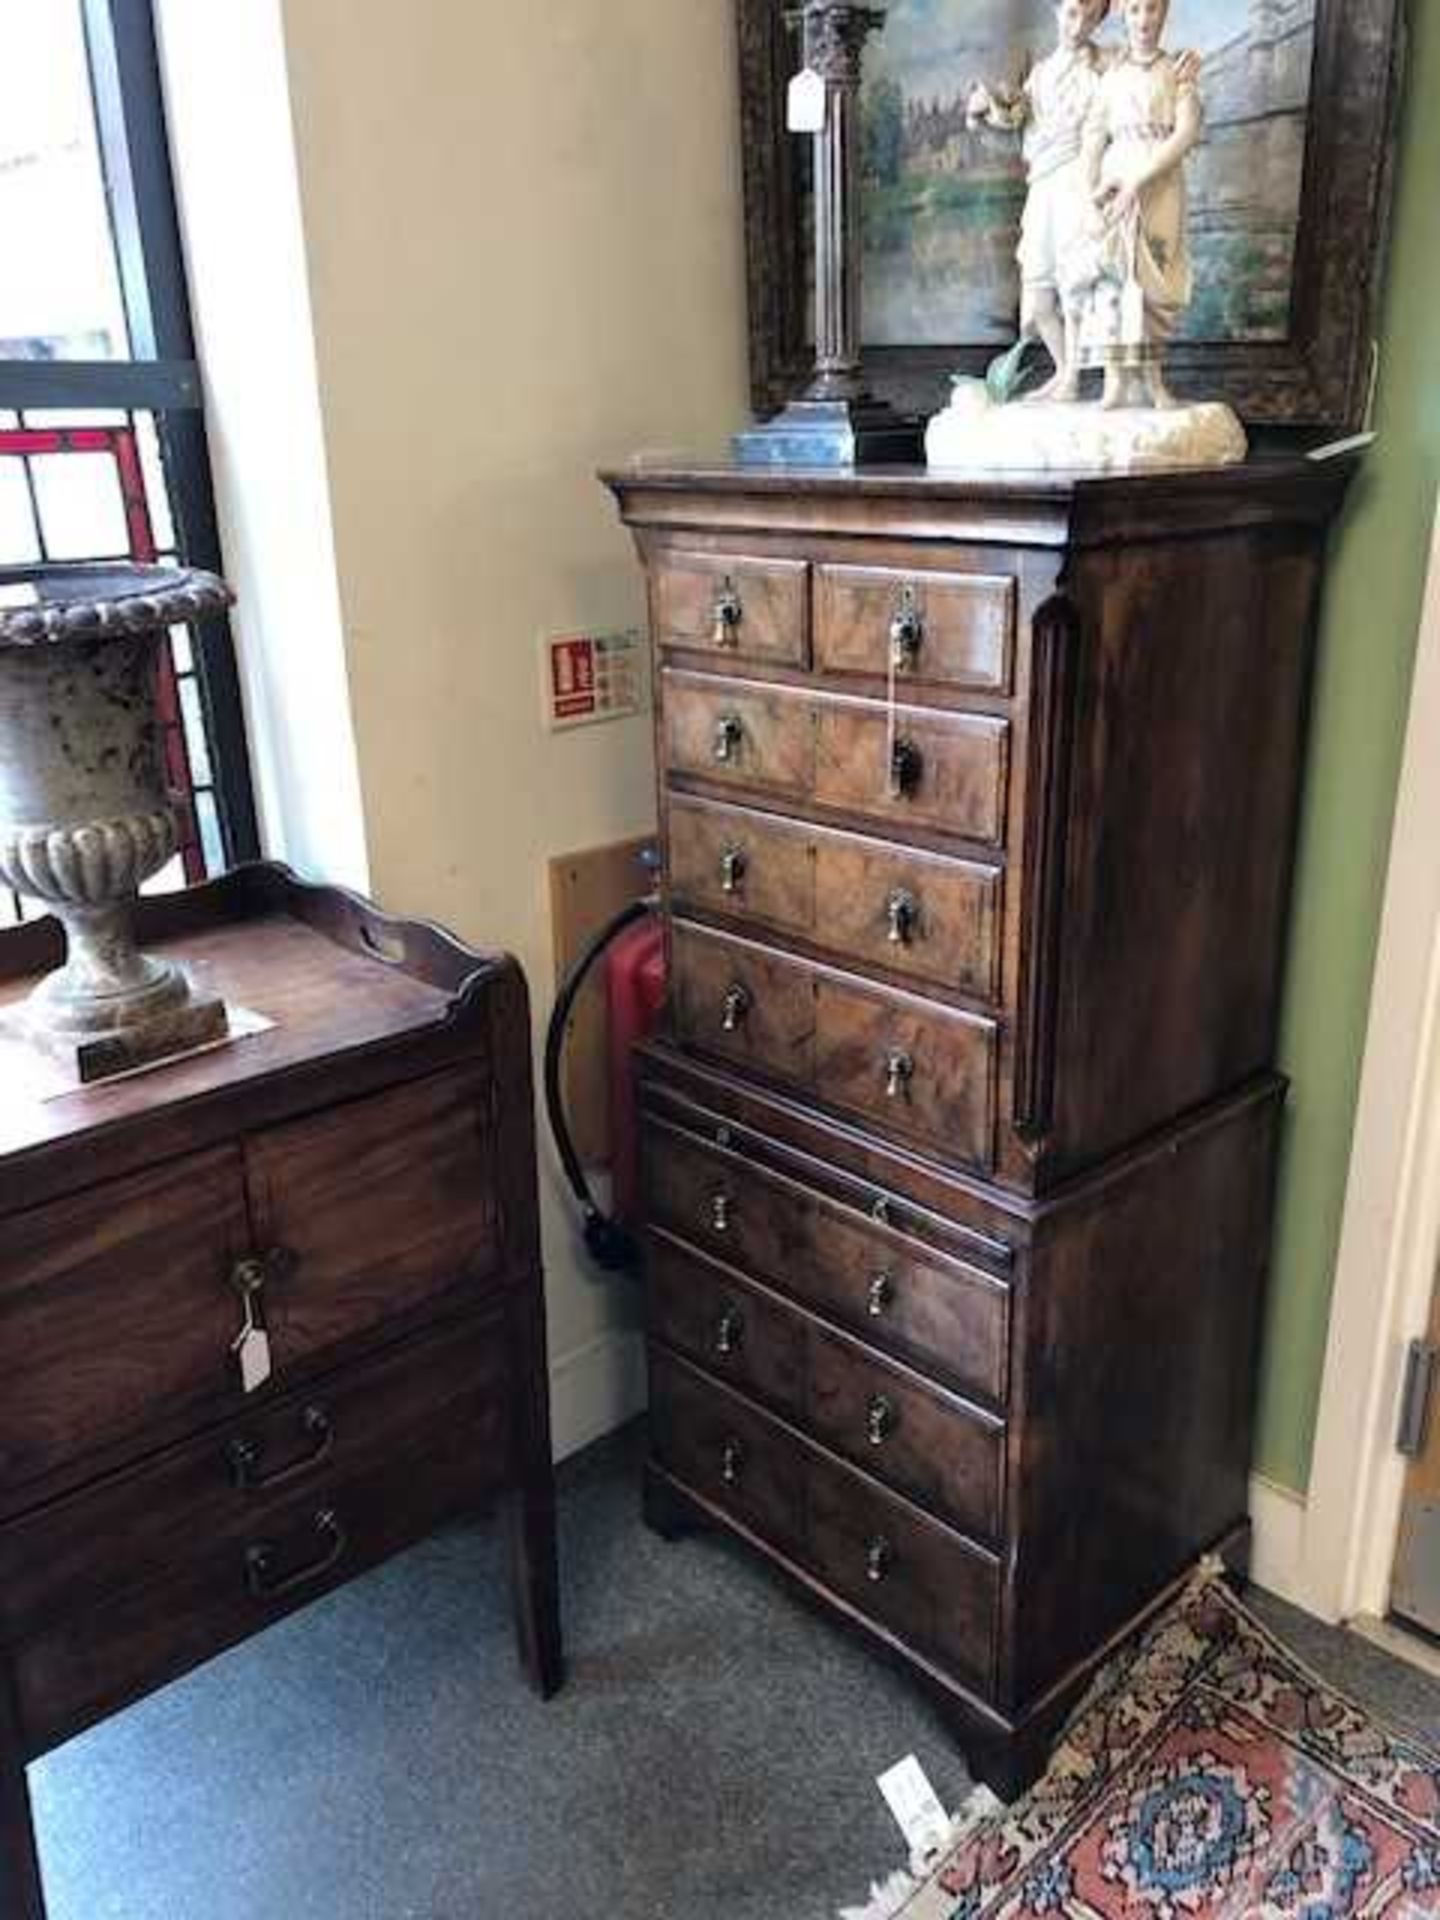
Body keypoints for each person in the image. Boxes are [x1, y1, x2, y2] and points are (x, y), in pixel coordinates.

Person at [966, 0, 1113, 403]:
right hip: (1044, 185)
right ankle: (1065, 369)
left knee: (1073, 282)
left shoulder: (1105, 69)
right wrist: (985, 110)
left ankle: (1070, 380)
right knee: (1036, 296)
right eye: (1071, 13)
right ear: (1057, 12)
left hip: (1077, 181)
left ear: (1099, 21)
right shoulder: (1041, 73)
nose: (1078, 25)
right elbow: (1016, 127)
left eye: (1089, 17)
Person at [1064, 0, 1203, 408]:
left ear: (1165, 14)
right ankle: (1114, 383)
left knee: (1155, 280)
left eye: (1153, 9)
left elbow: (1185, 133)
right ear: (1125, 16)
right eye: (1136, 10)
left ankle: (1154, 380)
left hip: (1159, 184)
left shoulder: (1177, 72)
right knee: (1112, 279)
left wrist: (1139, 182)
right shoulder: (1112, 76)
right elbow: (1091, 141)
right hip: (1116, 179)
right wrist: (1091, 199)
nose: (1144, 19)